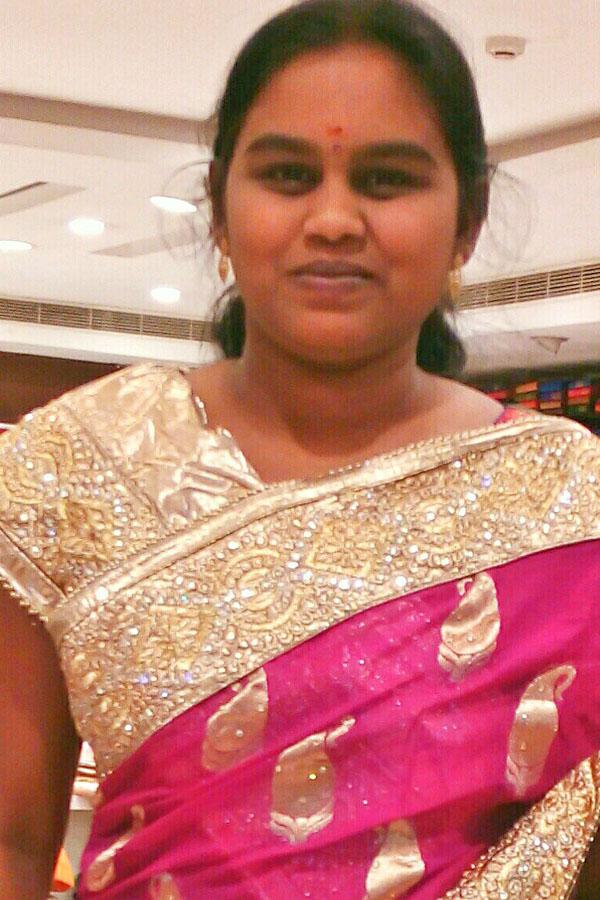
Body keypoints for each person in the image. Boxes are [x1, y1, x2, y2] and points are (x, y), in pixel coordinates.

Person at [0, 1, 599, 897]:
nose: (333, 219)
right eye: (287, 174)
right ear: (219, 208)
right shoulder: (68, 468)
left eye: (387, 180)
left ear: (467, 220)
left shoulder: (569, 503)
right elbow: (11, 840)